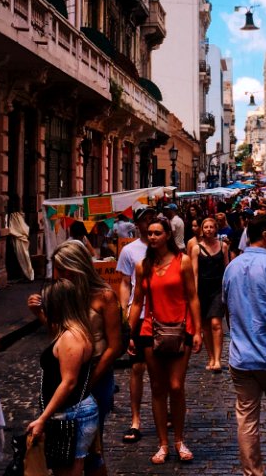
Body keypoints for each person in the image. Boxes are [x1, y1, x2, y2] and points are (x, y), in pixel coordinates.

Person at [30, 240, 123, 476]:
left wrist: (88, 381)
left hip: (97, 375)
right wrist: (40, 314)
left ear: (75, 267)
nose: (57, 275)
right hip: (70, 375)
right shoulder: (67, 295)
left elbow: (114, 346)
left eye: (61, 269)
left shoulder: (104, 295)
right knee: (69, 449)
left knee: (92, 450)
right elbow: (60, 337)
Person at [222, 215, 266, 476]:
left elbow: (227, 310)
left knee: (247, 417)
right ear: (265, 234)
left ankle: (253, 472)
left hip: (241, 356)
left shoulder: (231, 268)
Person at [127, 216, 202, 464]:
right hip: (151, 330)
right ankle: (163, 443)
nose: (153, 237)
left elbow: (192, 297)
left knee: (176, 386)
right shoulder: (142, 266)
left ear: (168, 235)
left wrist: (198, 330)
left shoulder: (183, 262)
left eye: (157, 233)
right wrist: (130, 333)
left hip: (181, 330)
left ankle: (179, 440)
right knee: (157, 388)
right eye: (149, 233)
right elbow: (137, 301)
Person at [28, 279, 100, 476]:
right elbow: (55, 330)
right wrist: (38, 314)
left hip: (71, 413)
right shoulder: (74, 330)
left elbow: (68, 383)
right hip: (71, 412)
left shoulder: (72, 337)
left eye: (47, 303)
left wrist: (42, 418)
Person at [115, 204, 155, 443]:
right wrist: (124, 310)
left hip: (162, 316)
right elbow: (124, 283)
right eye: (145, 219)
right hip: (138, 316)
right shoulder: (130, 251)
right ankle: (136, 419)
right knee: (137, 368)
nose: (149, 223)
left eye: (152, 218)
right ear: (137, 224)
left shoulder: (166, 249)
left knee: (161, 370)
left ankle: (166, 412)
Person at [190, 216, 228, 371]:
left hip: (218, 288)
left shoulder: (223, 246)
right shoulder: (196, 248)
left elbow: (227, 268)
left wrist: (227, 289)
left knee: (216, 323)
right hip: (203, 289)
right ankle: (211, 357)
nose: (209, 230)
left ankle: (218, 359)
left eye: (211, 227)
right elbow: (195, 273)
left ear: (215, 229)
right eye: (206, 227)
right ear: (202, 229)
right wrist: (195, 294)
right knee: (205, 326)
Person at [7, 195, 35, 282]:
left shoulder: (15, 216)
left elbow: (21, 229)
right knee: (24, 257)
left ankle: (28, 275)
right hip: (21, 239)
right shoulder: (17, 216)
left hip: (21, 239)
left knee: (24, 257)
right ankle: (28, 275)